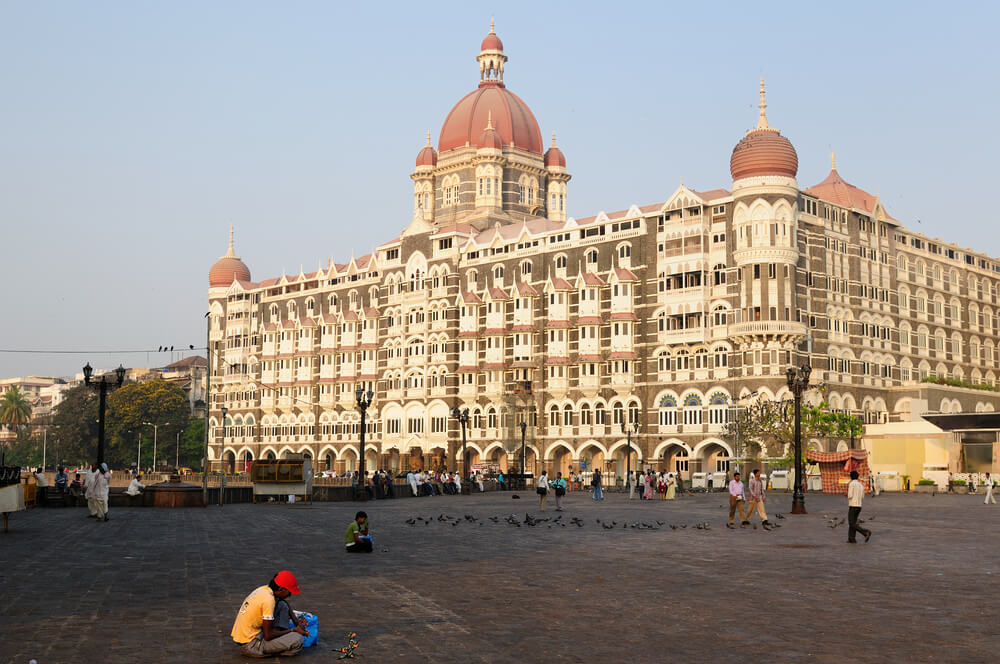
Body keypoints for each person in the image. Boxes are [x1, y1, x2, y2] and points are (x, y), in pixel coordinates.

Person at [231, 570, 307, 658]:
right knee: (298, 639)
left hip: (246, 637)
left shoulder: (265, 589)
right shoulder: (269, 601)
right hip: (251, 645)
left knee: (282, 605)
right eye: (289, 592)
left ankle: (277, 635)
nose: (290, 595)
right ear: (281, 589)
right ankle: (272, 650)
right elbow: (268, 636)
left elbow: (284, 602)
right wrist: (293, 630)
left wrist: (296, 622)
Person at [847, 470, 872, 544]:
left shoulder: (852, 484)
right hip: (859, 505)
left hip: (853, 505)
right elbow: (862, 496)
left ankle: (865, 532)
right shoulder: (860, 485)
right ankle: (851, 539)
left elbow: (850, 495)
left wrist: (846, 494)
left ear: (851, 477)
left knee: (851, 523)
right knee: (853, 522)